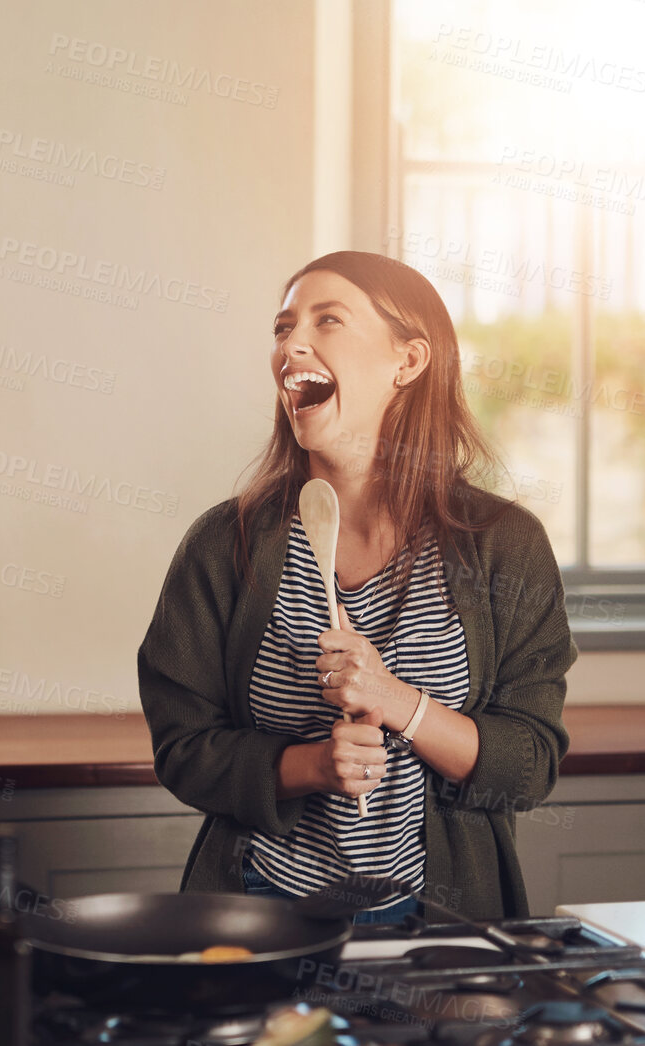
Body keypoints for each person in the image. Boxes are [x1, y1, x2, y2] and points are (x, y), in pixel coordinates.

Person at [138, 251, 573, 921]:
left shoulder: (503, 547)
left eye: (327, 320)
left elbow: (529, 765)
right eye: (283, 328)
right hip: (261, 916)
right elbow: (183, 750)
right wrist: (310, 766)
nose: (291, 346)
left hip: (435, 928)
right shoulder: (224, 545)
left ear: (408, 361)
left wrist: (398, 703)